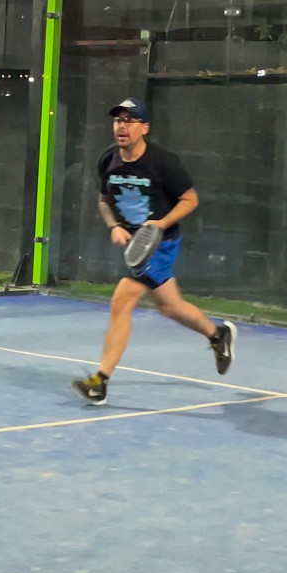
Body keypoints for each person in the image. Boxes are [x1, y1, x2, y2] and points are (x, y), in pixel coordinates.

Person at [70, 97, 236, 405]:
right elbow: (104, 201)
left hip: (161, 243)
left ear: (144, 128)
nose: (122, 126)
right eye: (118, 120)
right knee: (170, 307)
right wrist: (113, 226)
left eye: (129, 120)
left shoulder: (163, 162)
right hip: (136, 242)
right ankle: (217, 334)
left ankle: (100, 381)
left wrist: (159, 225)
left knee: (122, 300)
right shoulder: (108, 159)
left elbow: (190, 199)